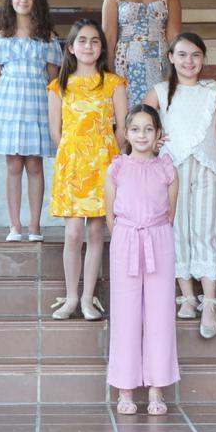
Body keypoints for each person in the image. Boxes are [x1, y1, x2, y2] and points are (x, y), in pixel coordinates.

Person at [142, 33, 216, 339]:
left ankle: (209, 301)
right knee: (177, 229)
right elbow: (141, 125)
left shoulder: (213, 91)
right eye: (182, 55)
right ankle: (187, 296)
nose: (189, 61)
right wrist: (154, 143)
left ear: (203, 58)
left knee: (206, 230)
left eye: (196, 55)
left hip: (207, 168)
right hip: (172, 170)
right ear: (171, 58)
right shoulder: (159, 92)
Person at [47, 19, 126, 320]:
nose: (88, 46)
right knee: (73, 233)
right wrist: (75, 155)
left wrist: (107, 156)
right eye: (82, 40)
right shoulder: (58, 86)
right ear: (70, 47)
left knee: (95, 232)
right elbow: (56, 132)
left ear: (102, 48)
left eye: (95, 41)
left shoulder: (114, 84)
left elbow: (122, 129)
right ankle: (70, 297)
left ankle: (87, 299)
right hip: (72, 165)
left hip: (104, 164)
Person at [104, 105, 179, 415]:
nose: (142, 135)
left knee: (160, 314)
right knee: (126, 315)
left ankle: (157, 389)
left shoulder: (167, 169)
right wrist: (126, 237)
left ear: (158, 133)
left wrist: (153, 233)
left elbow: (170, 213)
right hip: (126, 240)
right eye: (135, 129)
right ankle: (125, 389)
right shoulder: (117, 168)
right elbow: (110, 215)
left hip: (158, 239)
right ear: (126, 133)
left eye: (149, 129)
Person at [0, 0, 63, 241]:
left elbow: (53, 82)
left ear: (37, 0)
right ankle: (14, 226)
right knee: (14, 165)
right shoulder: (0, 38)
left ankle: (35, 226)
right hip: (10, 108)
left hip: (37, 106)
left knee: (35, 165)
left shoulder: (47, 39)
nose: (24, 0)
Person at [102, 0, 182, 109]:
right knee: (128, 117)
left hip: (160, 64)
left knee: (158, 115)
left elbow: (174, 37)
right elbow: (109, 38)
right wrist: (108, 76)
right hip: (125, 65)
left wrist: (175, 74)